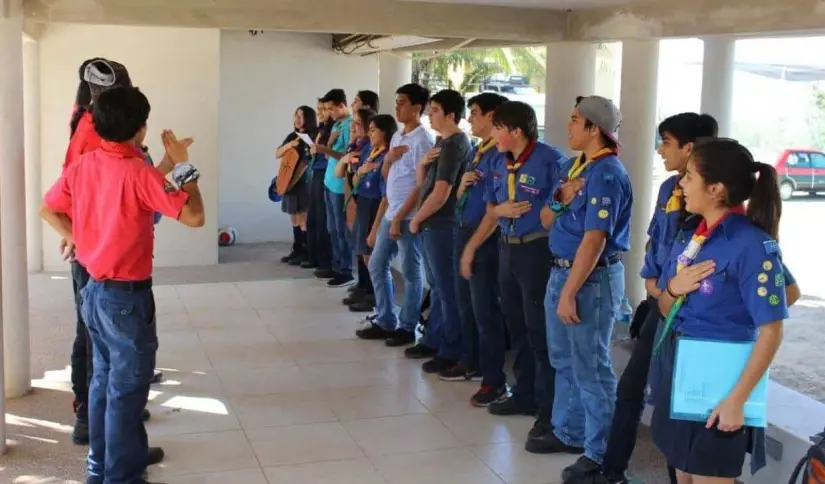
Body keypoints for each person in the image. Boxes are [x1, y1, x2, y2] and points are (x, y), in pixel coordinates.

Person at [41, 86, 205, 484]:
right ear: (141, 128)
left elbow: (48, 208)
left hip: (93, 292)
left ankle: (100, 470)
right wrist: (184, 167)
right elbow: (195, 215)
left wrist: (80, 237)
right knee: (125, 393)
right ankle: (122, 477)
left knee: (102, 384)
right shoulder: (140, 173)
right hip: (126, 300)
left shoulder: (85, 165)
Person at [650, 138, 788, 484]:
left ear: (716, 189)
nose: (680, 184)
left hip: (719, 380)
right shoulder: (690, 236)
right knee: (682, 472)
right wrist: (672, 289)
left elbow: (771, 330)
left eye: (690, 177)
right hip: (679, 368)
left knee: (708, 475)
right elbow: (665, 307)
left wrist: (737, 399)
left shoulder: (751, 245)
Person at [598, 112, 718, 484]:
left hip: (691, 318)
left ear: (691, 148)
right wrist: (653, 283)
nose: (659, 150)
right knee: (631, 388)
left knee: (678, 406)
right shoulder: (669, 188)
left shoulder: (716, 203)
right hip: (659, 306)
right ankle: (611, 470)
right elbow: (655, 240)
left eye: (666, 142)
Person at [65, 58, 162, 451]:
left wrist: (77, 234)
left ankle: (103, 452)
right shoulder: (98, 143)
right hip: (110, 271)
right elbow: (192, 213)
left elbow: (58, 201)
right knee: (118, 375)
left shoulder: (85, 129)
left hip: (96, 260)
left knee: (102, 355)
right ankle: (97, 429)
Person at [460, 100, 565, 450]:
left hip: (536, 249)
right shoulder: (496, 160)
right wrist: (498, 211)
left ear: (516, 132)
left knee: (538, 330)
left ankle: (548, 410)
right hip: (507, 245)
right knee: (515, 324)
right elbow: (490, 206)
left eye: (500, 128)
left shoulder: (551, 160)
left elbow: (561, 207)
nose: (494, 134)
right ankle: (523, 393)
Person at [542, 96, 632, 479]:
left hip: (588, 281)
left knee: (592, 369)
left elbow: (595, 239)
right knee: (564, 360)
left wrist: (568, 293)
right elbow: (546, 217)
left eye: (576, 120)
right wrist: (563, 199)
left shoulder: (606, 173)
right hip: (562, 272)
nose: (569, 126)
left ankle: (601, 456)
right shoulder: (572, 166)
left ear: (595, 129)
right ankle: (571, 431)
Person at [355, 83, 434, 347]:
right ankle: (386, 318)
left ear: (417, 107)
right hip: (391, 211)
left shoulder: (423, 141)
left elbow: (421, 187)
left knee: (412, 272)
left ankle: (407, 325)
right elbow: (390, 177)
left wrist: (401, 217)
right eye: (396, 101)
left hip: (409, 217)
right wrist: (388, 160)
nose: (397, 107)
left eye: (402, 102)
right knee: (376, 264)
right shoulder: (400, 138)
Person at [409, 89, 472, 374]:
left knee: (446, 289)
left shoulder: (455, 144)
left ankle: (451, 349)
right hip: (430, 223)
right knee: (436, 286)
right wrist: (423, 165)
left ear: (450, 115)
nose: (429, 115)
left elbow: (443, 192)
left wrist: (415, 219)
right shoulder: (441, 142)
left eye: (434, 110)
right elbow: (426, 184)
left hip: (442, 225)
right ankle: (434, 339)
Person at [451, 92, 509, 406]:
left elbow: (495, 207)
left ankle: (493, 379)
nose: (470, 119)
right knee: (466, 303)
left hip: (485, 239)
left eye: (475, 113)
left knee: (486, 310)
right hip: (465, 227)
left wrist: (473, 246)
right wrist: (462, 186)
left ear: (494, 116)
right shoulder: (479, 150)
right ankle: (470, 360)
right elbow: (469, 190)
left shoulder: (500, 154)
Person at [343, 111, 397, 313]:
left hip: (377, 206)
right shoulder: (369, 151)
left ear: (385, 132)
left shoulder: (387, 157)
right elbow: (355, 182)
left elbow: (386, 195)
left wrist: (375, 228)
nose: (371, 134)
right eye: (370, 130)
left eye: (374, 131)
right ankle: (369, 292)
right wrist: (361, 171)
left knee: (373, 256)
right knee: (364, 254)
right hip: (363, 203)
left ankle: (379, 299)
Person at [313, 89, 356, 288]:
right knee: (332, 228)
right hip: (329, 182)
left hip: (340, 185)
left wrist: (324, 149)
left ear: (342, 105)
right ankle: (335, 265)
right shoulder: (337, 124)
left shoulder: (349, 125)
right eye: (327, 109)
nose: (330, 112)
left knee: (341, 229)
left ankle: (345, 269)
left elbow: (346, 156)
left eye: (332, 108)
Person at [276, 106, 318, 266]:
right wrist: (289, 145)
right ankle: (297, 250)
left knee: (303, 219)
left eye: (302, 116)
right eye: (296, 115)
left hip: (303, 183)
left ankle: (307, 253)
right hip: (289, 182)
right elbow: (277, 153)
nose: (298, 119)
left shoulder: (312, 136)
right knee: (293, 217)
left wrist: (290, 183)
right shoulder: (293, 136)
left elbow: (305, 164)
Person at [306, 99, 335, 274]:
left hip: (326, 174)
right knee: (313, 219)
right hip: (315, 172)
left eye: (325, 109)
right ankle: (313, 256)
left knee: (323, 220)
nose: (321, 113)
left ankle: (326, 262)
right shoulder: (321, 129)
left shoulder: (334, 128)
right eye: (319, 109)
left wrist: (324, 146)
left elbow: (328, 153)